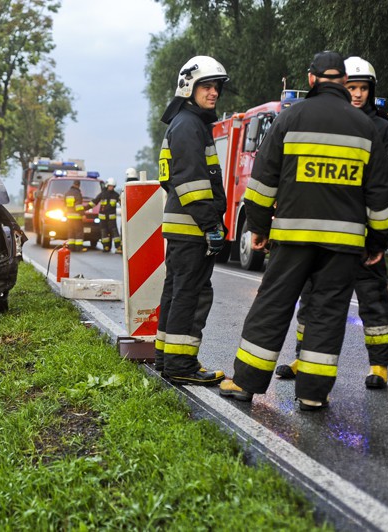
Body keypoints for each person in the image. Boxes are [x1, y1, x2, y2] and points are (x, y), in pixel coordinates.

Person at [219, 51, 388, 410]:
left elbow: (261, 182)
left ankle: (245, 383)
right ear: (345, 83)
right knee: (328, 314)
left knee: (273, 305)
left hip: (292, 236)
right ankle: (314, 395)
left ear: (312, 80)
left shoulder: (292, 117)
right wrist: (377, 242)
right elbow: (381, 196)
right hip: (344, 245)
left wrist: (258, 227)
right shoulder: (365, 127)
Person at [275, 56, 388, 390]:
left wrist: (381, 232)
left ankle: (379, 366)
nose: (358, 94)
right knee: (312, 296)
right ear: (342, 86)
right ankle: (303, 356)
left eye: (363, 88)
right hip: (333, 234)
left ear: (371, 90)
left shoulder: (383, 131)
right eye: (353, 87)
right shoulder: (332, 121)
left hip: (365, 237)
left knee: (373, 298)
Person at [153, 55, 229, 385]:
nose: (213, 93)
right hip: (193, 227)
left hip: (185, 227)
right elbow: (191, 183)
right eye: (206, 87)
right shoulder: (188, 126)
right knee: (192, 294)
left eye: (216, 88)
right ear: (189, 87)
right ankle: (181, 365)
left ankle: (166, 358)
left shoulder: (188, 123)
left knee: (177, 291)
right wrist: (211, 225)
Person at [89, 178, 122, 253]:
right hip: (103, 219)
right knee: (104, 233)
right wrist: (85, 208)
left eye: (113, 186)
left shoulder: (116, 195)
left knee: (115, 233)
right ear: (107, 185)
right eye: (110, 186)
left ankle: (118, 247)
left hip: (111, 219)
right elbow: (94, 202)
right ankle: (106, 247)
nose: (111, 188)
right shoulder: (102, 194)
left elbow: (121, 203)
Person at [64, 180, 87, 252]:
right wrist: (83, 214)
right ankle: (79, 248)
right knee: (78, 232)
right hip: (77, 216)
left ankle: (71, 247)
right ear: (78, 185)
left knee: (71, 232)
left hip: (69, 216)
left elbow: (64, 205)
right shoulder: (77, 193)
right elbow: (78, 206)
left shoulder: (67, 193)